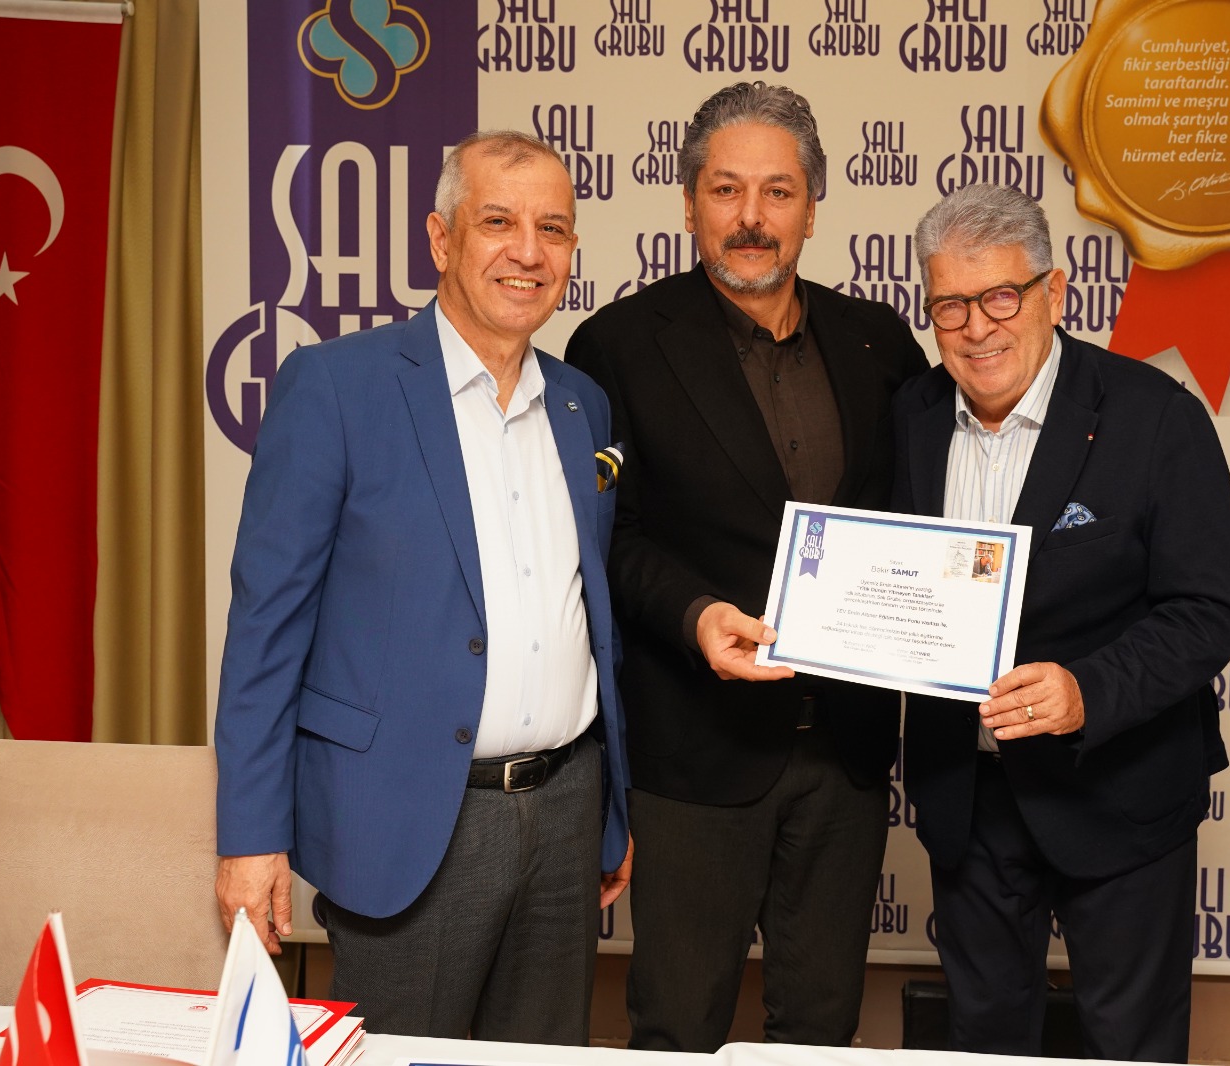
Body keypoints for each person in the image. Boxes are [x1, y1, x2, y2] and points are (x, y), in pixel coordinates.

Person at [212, 131, 631, 1043]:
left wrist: (612, 808)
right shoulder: (336, 387)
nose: (529, 252)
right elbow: (266, 630)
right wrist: (250, 835)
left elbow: (590, 615)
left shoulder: (581, 405)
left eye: (553, 229)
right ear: (441, 240)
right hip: (407, 821)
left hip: (565, 815)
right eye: (499, 222)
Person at [564, 82, 927, 1052]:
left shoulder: (880, 344)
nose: (751, 217)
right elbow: (603, 538)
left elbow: (918, 525)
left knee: (819, 1029)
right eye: (726, 190)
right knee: (678, 1027)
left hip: (845, 757)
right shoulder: (615, 347)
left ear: (813, 206)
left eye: (778, 190)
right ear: (688, 204)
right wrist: (692, 615)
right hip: (695, 754)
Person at [892, 183, 1230, 1061]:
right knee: (984, 1041)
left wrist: (1088, 691)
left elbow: (1208, 610)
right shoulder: (909, 418)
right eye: (949, 305)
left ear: (1054, 292)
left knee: (1130, 1044)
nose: (976, 328)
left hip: (1119, 792)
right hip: (969, 800)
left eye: (1000, 297)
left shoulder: (1157, 418)